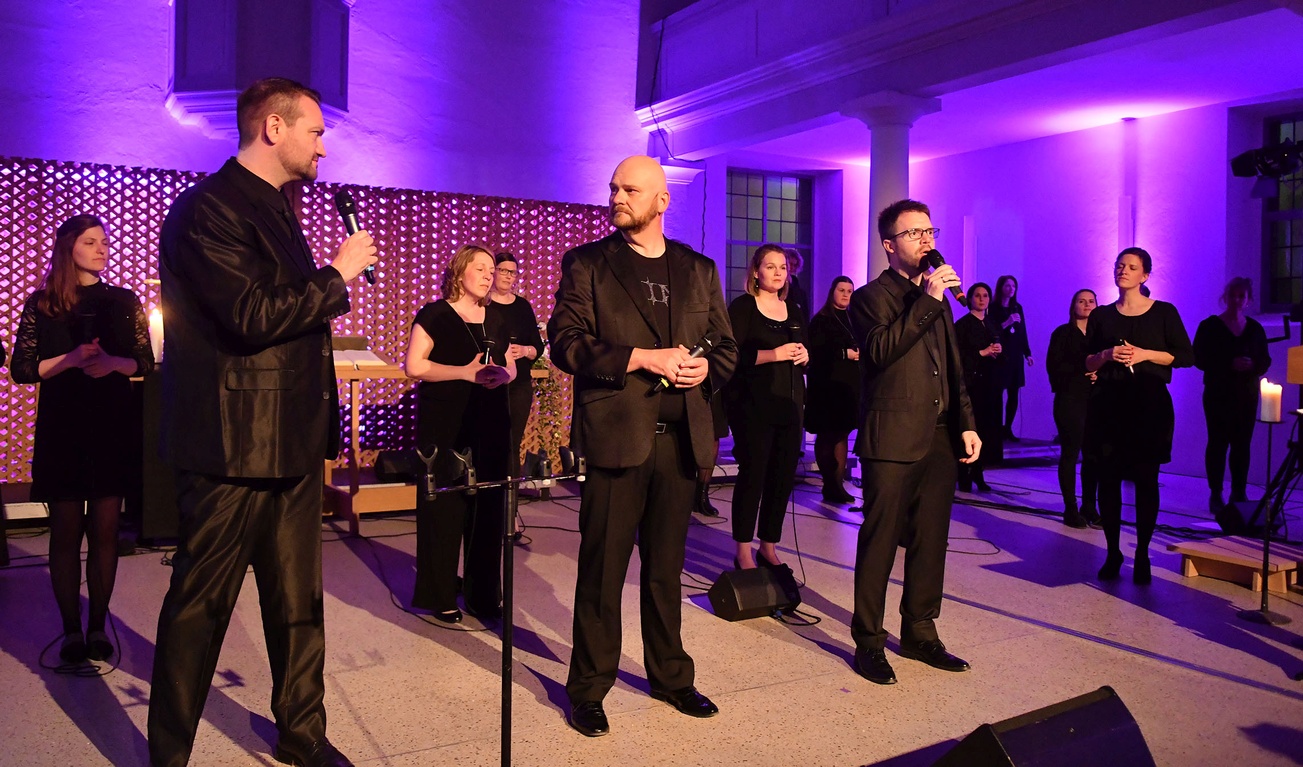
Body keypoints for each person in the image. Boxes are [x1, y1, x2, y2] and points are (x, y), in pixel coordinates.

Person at [149, 78, 377, 767]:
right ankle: (168, 756)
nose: (323, 145)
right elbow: (249, 316)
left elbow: (287, 319)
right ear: (272, 128)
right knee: (200, 605)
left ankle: (301, 733)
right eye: (314, 130)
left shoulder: (279, 210)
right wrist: (336, 277)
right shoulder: (206, 210)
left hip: (293, 439)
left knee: (298, 602)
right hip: (231, 444)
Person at [548, 155, 737, 737]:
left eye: (631, 188)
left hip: (680, 441)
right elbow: (565, 344)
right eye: (613, 187)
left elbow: (725, 350)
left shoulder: (699, 268)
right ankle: (588, 688)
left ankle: (672, 677)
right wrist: (639, 358)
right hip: (617, 438)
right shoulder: (588, 264)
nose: (617, 195)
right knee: (602, 571)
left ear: (662, 201)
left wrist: (701, 371)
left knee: (665, 569)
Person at [10, 214, 154, 665]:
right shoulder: (43, 305)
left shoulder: (122, 301)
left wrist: (114, 363)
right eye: (91, 242)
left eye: (104, 242)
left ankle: (97, 626)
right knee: (66, 530)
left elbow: (144, 362)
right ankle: (71, 629)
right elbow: (22, 369)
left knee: (107, 529)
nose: (102, 249)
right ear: (69, 247)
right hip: (64, 425)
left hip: (111, 423)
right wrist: (71, 358)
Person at [847, 199, 979, 686]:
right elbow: (880, 350)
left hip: (941, 435)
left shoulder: (938, 296)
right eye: (914, 233)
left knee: (931, 541)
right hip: (891, 439)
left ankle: (921, 632)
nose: (927, 240)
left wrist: (966, 420)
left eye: (930, 231)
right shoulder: (870, 297)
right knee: (880, 540)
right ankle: (869, 640)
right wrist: (927, 300)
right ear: (889, 244)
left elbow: (953, 365)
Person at [405, 245, 519, 622]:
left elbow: (510, 367)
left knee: (488, 511)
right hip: (446, 422)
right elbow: (414, 366)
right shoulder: (435, 314)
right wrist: (465, 372)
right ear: (459, 271)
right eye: (481, 268)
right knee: (445, 510)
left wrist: (501, 375)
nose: (489, 275)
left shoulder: (497, 319)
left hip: (489, 420)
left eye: (492, 270)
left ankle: (483, 595)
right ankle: (439, 594)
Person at [1084, 248, 1193, 585]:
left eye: (1132, 267)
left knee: (1146, 481)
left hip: (1148, 405)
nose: (1123, 271)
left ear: (1145, 275)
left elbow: (1185, 356)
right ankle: (1113, 550)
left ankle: (1142, 552)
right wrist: (1105, 354)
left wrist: (1145, 354)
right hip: (1109, 404)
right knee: (1109, 480)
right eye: (1120, 265)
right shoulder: (1102, 315)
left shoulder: (1163, 312)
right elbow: (1086, 362)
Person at [726, 244, 807, 570]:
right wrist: (776, 354)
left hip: (788, 406)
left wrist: (805, 355)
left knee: (782, 478)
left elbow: (806, 350)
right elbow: (731, 357)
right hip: (752, 408)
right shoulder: (743, 307)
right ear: (756, 271)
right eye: (770, 266)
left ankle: (768, 545)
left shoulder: (795, 310)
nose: (777, 272)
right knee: (753, 476)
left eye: (783, 267)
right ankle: (743, 550)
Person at [1193, 277, 1271, 511]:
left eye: (1241, 296)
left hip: (1246, 395)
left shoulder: (1255, 328)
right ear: (1225, 297)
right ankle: (1215, 492)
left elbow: (1265, 359)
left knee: (1242, 444)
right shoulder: (1209, 326)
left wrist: (1252, 365)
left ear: (1248, 300)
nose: (1236, 300)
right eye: (1233, 295)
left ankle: (1239, 492)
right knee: (1217, 443)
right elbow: (1198, 357)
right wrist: (1229, 363)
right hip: (1218, 393)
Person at [1046, 289, 1100, 528]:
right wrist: (1083, 371)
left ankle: (1090, 506)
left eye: (1091, 301)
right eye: (1082, 301)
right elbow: (1054, 367)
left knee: (1094, 456)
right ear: (1073, 305)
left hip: (1096, 400)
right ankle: (1070, 508)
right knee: (1070, 453)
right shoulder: (1062, 333)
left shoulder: (1101, 336)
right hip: (1070, 399)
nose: (1087, 305)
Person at [489, 251, 544, 474]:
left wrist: (525, 350)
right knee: (488, 439)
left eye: (513, 272)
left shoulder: (522, 307)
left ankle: (507, 502)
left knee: (511, 442)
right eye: (504, 271)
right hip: (488, 381)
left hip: (518, 385)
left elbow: (538, 347)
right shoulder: (481, 304)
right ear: (494, 272)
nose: (509, 276)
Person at [806, 276, 860, 504]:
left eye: (849, 290)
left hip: (848, 386)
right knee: (828, 434)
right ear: (832, 292)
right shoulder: (821, 320)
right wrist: (843, 353)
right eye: (842, 290)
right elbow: (815, 353)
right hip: (827, 386)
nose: (846, 294)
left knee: (842, 432)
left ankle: (836, 485)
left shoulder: (853, 318)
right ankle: (830, 484)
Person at [953, 282, 1002, 493]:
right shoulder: (963, 325)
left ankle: (979, 474)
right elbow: (957, 355)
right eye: (977, 295)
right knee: (968, 429)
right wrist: (981, 353)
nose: (982, 299)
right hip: (971, 385)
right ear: (970, 298)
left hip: (989, 385)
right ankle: (963, 475)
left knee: (985, 430)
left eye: (985, 296)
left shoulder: (991, 323)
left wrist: (998, 350)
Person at [989, 275, 1033, 441]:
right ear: (1001, 288)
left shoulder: (1017, 307)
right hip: (1001, 355)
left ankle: (1008, 428)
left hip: (1015, 355)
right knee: (998, 393)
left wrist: (1027, 353)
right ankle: (996, 428)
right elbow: (992, 331)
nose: (1010, 289)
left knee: (1014, 393)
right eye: (1007, 286)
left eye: (1013, 286)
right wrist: (1007, 322)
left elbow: (1022, 331)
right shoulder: (993, 308)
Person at [783, 247, 810, 320]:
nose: (792, 267)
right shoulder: (778, 283)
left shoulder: (796, 285)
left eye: (795, 265)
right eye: (790, 264)